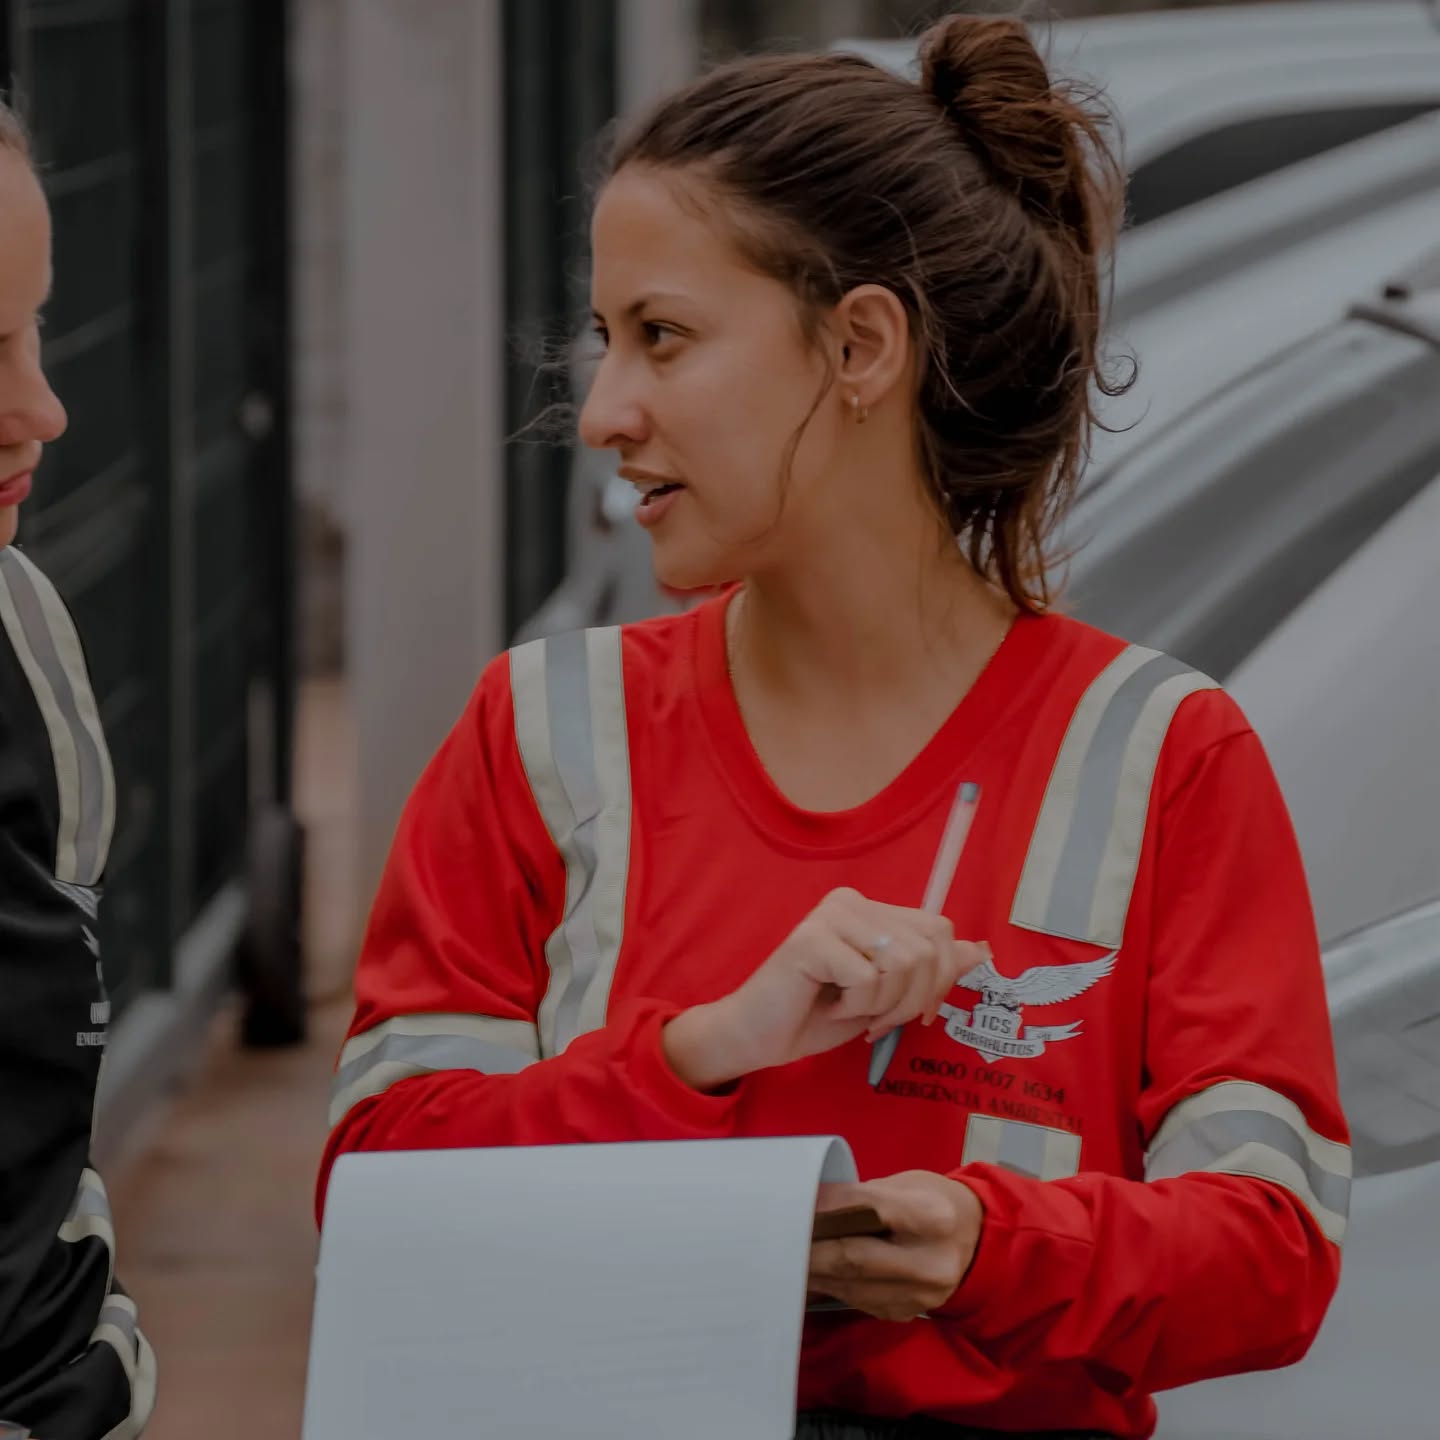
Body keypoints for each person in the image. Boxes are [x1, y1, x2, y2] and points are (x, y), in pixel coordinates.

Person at [319, 14, 1348, 1439]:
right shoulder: (538, 730)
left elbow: (1272, 1249)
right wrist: (696, 1052)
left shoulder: (1165, 752)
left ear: (860, 345)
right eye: (606, 340)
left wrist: (989, 1247)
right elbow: (378, 1184)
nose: (604, 411)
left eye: (663, 338)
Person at [0, 99, 155, 1437]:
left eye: (30, 328)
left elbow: (46, 1092)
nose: (40, 410)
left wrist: (79, 1363)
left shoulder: (21, 630)